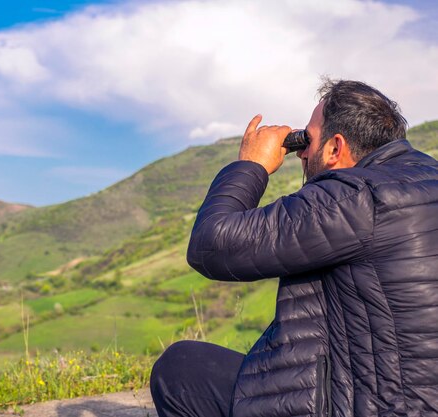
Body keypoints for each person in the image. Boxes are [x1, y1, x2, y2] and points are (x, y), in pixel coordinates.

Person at [150, 79, 438, 417]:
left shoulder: (353, 197)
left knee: (181, 368)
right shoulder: (425, 180)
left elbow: (211, 245)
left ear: (335, 148)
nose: (301, 152)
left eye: (307, 139)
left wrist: (251, 165)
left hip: (373, 405)